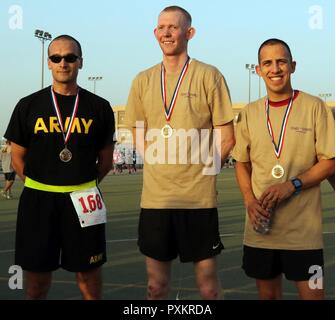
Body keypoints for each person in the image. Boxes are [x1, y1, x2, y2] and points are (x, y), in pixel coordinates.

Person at [125, 6, 235, 300]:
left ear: (190, 33)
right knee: (156, 287)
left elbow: (227, 137)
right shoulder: (142, 80)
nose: (167, 32)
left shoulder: (209, 76)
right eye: (162, 27)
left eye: (174, 27)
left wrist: (204, 171)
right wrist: (155, 159)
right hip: (156, 200)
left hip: (198, 201)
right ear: (155, 33)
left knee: (208, 288)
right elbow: (136, 128)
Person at [4, 35, 115, 299]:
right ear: (49, 63)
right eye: (56, 58)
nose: (63, 63)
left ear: (80, 62)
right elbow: (17, 157)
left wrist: (79, 182)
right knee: (36, 283)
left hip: (84, 198)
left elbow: (106, 161)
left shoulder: (99, 107)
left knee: (89, 279)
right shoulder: (28, 105)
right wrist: (39, 183)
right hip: (38, 200)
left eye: (70, 58)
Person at [232, 38, 335, 300]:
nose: (275, 69)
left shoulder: (315, 107)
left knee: (314, 297)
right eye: (267, 63)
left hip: (304, 235)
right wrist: (249, 201)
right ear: (258, 70)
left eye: (281, 62)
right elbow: (241, 163)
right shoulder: (248, 113)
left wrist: (293, 184)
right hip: (261, 231)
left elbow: (330, 161)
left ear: (293, 66)